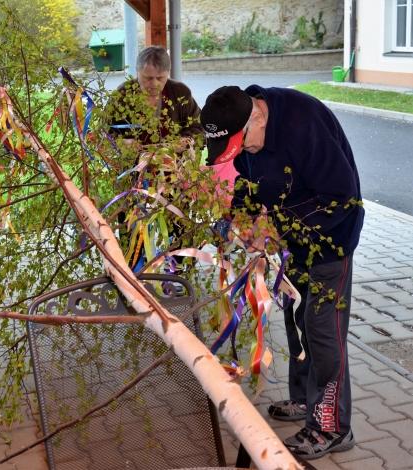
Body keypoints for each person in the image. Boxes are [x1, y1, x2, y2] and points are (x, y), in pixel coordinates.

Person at [200, 85, 364, 460]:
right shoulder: (246, 125)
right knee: (298, 319)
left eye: (245, 144)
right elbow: (249, 182)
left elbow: (342, 196)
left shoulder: (304, 124)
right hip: (294, 239)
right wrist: (238, 218)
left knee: (323, 329)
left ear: (258, 115)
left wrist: (274, 229)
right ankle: (305, 401)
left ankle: (332, 426)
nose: (244, 152)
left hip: (331, 238)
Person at [105, 46, 203, 270]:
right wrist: (122, 143)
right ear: (137, 72)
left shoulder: (180, 93)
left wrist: (185, 142)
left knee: (178, 220)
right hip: (135, 176)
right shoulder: (122, 95)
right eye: (147, 78)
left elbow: (199, 128)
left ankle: (178, 270)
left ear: (168, 74)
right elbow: (104, 132)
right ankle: (131, 271)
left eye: (160, 78)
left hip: (172, 174)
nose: (154, 84)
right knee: (131, 224)